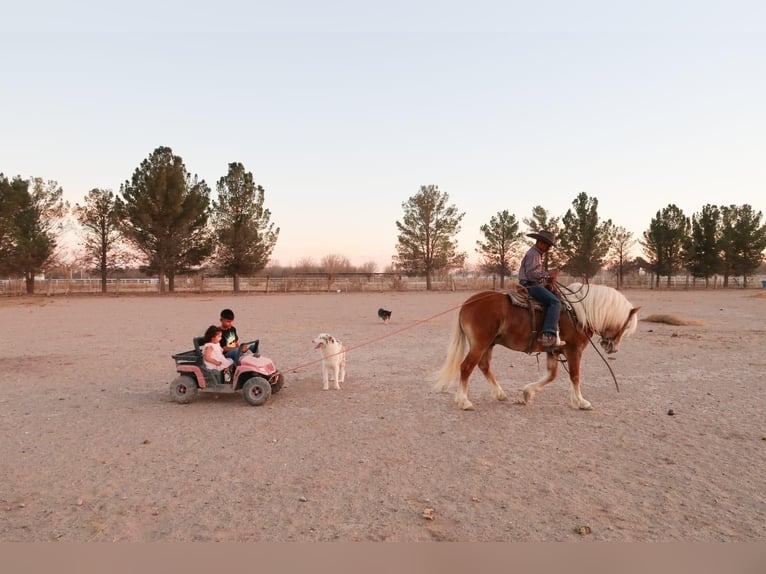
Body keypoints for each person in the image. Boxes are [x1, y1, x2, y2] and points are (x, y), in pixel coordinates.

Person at [518, 230, 564, 349]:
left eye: (549, 246)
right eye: (547, 245)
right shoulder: (534, 254)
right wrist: (548, 276)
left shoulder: (536, 253)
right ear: (540, 242)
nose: (548, 248)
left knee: (556, 296)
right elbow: (532, 273)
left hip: (533, 283)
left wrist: (547, 277)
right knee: (555, 302)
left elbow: (536, 272)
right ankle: (548, 334)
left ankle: (554, 331)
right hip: (531, 284)